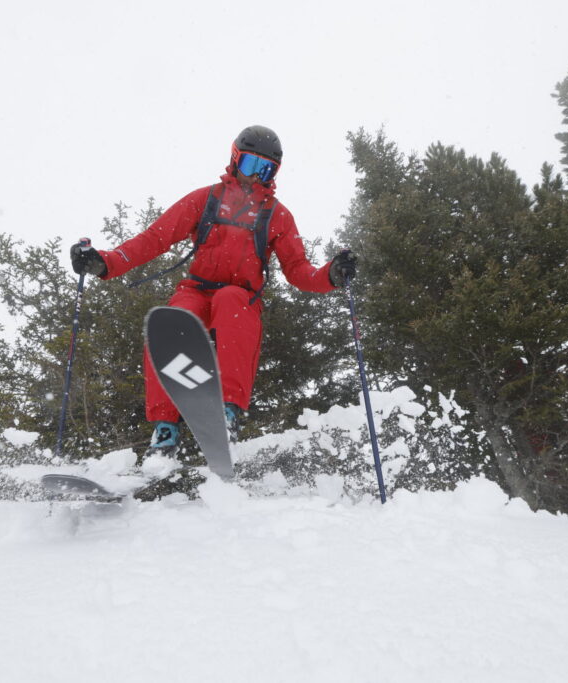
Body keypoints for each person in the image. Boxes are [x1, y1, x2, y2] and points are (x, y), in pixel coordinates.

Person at [70, 124, 357, 459]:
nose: (255, 177)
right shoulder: (205, 199)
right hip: (197, 288)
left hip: (241, 294)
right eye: (250, 165)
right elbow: (154, 238)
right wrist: (104, 262)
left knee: (232, 302)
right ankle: (165, 428)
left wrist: (331, 275)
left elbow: (299, 271)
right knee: (172, 320)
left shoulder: (277, 216)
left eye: (265, 170)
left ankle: (227, 413)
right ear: (235, 160)